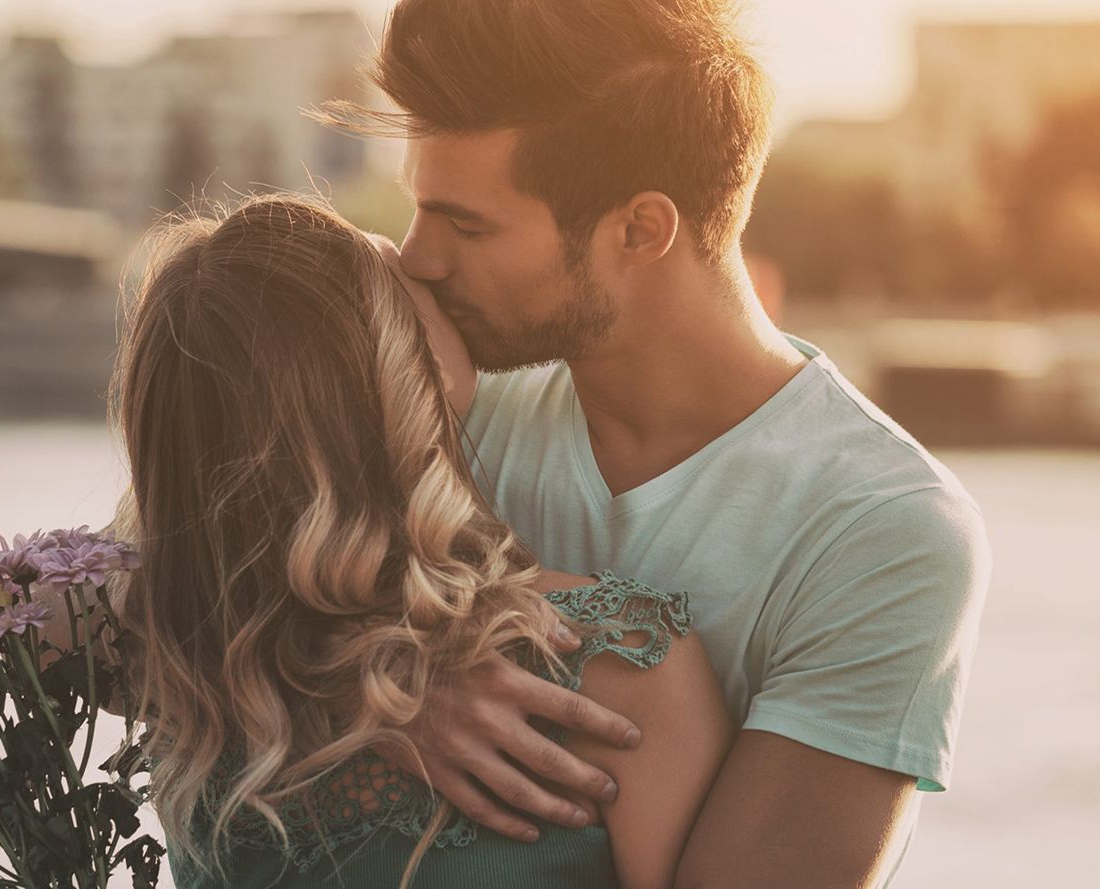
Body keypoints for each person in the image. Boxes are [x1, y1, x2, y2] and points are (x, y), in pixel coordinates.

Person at [312, 1, 994, 886]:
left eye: (466, 225)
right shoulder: (437, 393)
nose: (416, 259)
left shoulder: (882, 529)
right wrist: (382, 686)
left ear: (640, 229)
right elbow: (129, 603)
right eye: (419, 210)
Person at [106, 192, 733, 888]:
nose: (425, 263)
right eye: (403, 288)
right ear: (403, 371)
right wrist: (380, 678)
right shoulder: (623, 659)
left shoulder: (172, 658)